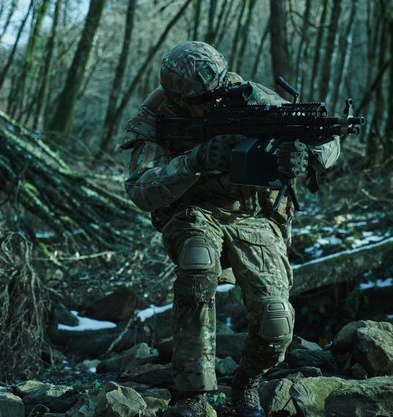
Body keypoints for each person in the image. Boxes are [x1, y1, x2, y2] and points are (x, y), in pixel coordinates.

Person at [120, 41, 340, 417]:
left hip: (255, 216)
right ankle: (192, 394)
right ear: (178, 97)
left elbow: (327, 138)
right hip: (195, 211)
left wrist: (307, 157)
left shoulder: (250, 97)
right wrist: (195, 160)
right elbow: (141, 190)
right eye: (201, 99)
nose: (213, 102)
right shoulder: (157, 116)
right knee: (196, 262)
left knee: (275, 322)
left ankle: (246, 385)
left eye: (216, 91)